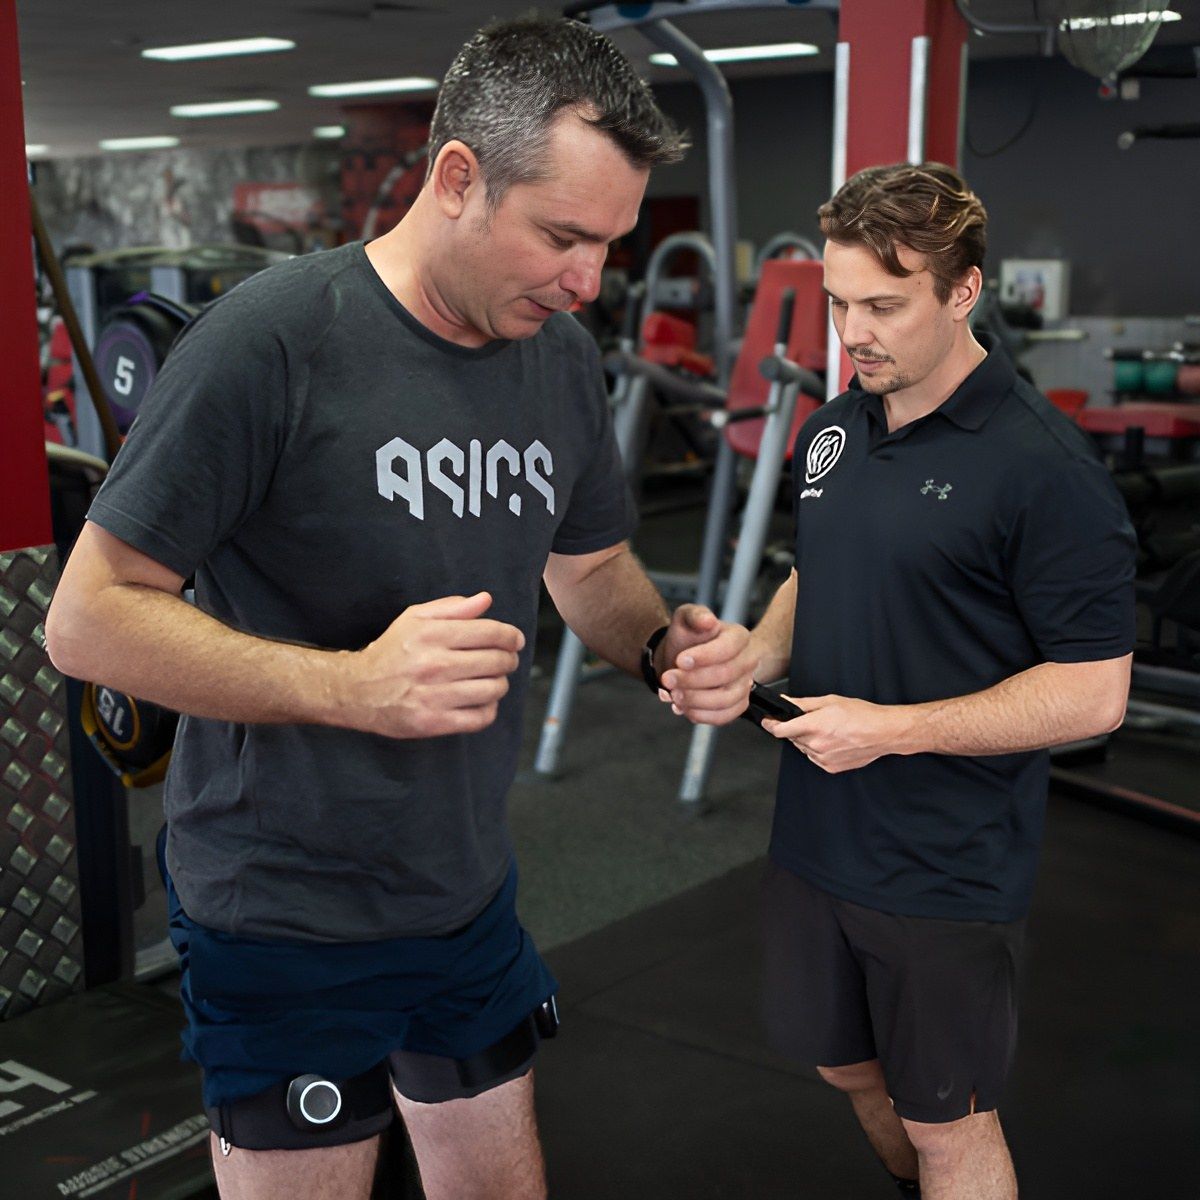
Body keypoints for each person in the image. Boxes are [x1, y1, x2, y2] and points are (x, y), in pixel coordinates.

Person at [46, 16, 757, 1200]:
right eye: (564, 237)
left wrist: (660, 644)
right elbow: (89, 616)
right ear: (458, 179)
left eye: (610, 246)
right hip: (282, 910)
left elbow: (589, 570)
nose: (588, 281)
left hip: (465, 886)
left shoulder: (561, 358)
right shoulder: (272, 342)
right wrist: (350, 686)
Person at [662, 163, 1135, 1200]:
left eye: (884, 304)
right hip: (816, 837)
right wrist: (751, 653)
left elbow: (1095, 694)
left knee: (950, 1127)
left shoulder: (1045, 472)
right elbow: (818, 566)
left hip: (944, 863)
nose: (853, 330)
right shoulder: (835, 426)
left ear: (962, 292)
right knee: (847, 1068)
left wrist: (895, 729)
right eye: (838, 303)